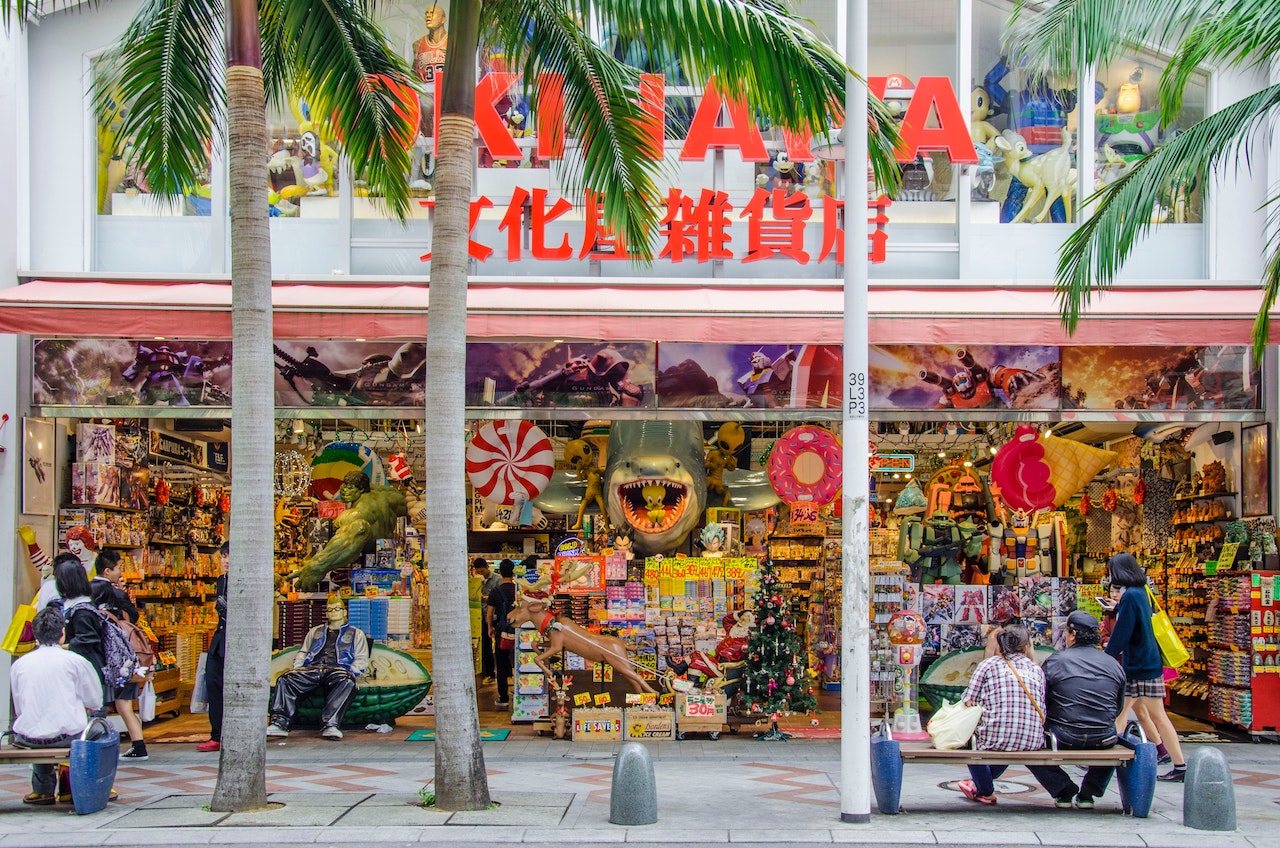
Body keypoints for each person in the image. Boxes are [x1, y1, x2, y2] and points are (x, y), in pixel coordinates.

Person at [1026, 611, 1125, 808]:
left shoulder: (1056, 661)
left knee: (1026, 741)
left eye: (1066, 632)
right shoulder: (1113, 664)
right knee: (1113, 737)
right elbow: (1118, 707)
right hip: (1104, 737)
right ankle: (1088, 792)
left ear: (1073, 634)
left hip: (1062, 736)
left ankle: (1063, 789)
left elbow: (1041, 700)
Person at [10, 607, 106, 805]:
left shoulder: (20, 664)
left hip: (28, 738)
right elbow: (95, 701)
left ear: (35, 635)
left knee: (38, 722)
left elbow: (20, 708)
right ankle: (82, 785)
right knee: (102, 730)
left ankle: (42, 790)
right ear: (63, 633)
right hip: (67, 737)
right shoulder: (76, 661)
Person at [1104, 552, 1187, 782]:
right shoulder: (1142, 592)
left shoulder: (1130, 596)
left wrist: (1106, 658)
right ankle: (1179, 764)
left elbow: (1123, 632)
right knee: (1148, 715)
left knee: (1128, 714)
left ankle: (1104, 761)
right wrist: (1118, 609)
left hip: (1138, 665)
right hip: (1148, 662)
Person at [956, 624, 1046, 805]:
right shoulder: (1036, 669)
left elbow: (968, 700)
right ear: (1026, 646)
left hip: (996, 739)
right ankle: (977, 784)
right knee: (1009, 740)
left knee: (970, 743)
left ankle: (985, 790)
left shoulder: (988, 664)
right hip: (1032, 741)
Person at [267, 594, 370, 740]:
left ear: (344, 612)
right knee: (285, 679)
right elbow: (303, 651)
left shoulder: (356, 633)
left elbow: (361, 658)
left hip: (338, 669)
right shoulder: (315, 631)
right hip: (313, 668)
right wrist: (298, 667)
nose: (333, 612)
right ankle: (279, 723)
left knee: (347, 682)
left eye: (337, 609)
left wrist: (352, 671)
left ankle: (331, 724)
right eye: (330, 610)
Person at [90, 549, 148, 762]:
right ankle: (138, 745)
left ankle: (95, 745)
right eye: (118, 568)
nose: (121, 572)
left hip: (99, 656)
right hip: (122, 656)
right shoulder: (118, 594)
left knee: (97, 703)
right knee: (124, 704)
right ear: (107, 571)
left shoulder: (88, 592)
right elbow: (133, 618)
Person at [198, 544, 229, 752]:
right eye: (223, 556)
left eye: (229, 556)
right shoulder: (221, 580)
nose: (226, 561)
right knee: (213, 683)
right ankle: (217, 734)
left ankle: (224, 734)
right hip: (219, 640)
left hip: (235, 641)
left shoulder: (246, 581)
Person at [485, 559, 517, 709]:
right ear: (513, 572)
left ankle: (503, 697)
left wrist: (490, 627)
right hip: (519, 631)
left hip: (502, 631)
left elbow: (489, 613)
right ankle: (520, 692)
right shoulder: (518, 589)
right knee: (519, 661)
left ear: (500, 572)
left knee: (501, 663)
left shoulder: (495, 591)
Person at [472, 558, 500, 683]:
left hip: (495, 616)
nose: (481, 574)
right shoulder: (477, 581)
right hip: (481, 616)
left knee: (499, 645)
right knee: (485, 646)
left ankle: (500, 672)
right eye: (479, 572)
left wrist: (488, 598)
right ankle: (488, 673)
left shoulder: (497, 579)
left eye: (482, 571)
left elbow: (500, 598)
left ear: (487, 567)